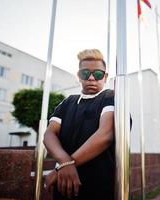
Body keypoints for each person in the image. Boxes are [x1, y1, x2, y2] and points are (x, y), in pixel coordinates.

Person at [43, 49, 115, 200]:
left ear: (105, 76)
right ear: (78, 76)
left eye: (97, 74)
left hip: (98, 188)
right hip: (62, 188)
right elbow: (49, 134)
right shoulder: (68, 102)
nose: (90, 78)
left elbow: (105, 135)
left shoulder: (110, 97)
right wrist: (64, 162)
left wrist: (62, 167)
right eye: (84, 73)